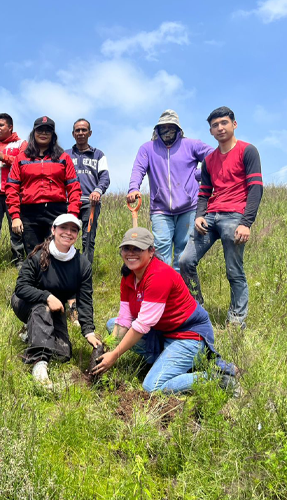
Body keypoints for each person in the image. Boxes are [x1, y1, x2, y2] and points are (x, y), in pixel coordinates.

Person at [92, 228, 237, 393]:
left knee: (152, 387)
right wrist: (108, 347)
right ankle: (168, 361)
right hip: (161, 332)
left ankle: (216, 378)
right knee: (113, 325)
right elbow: (125, 318)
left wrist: (115, 355)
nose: (131, 253)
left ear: (151, 251)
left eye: (138, 249)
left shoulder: (159, 276)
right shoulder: (129, 276)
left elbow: (142, 325)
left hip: (187, 335)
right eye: (127, 248)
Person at [180, 107, 263, 328]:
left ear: (234, 124)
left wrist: (246, 223)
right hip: (210, 217)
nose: (220, 128)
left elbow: (256, 188)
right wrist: (199, 216)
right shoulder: (208, 160)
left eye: (224, 123)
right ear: (210, 131)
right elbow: (204, 193)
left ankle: (236, 320)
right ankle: (197, 311)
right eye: (215, 125)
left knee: (233, 271)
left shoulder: (248, 151)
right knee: (185, 261)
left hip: (235, 216)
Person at [11, 214, 102, 387]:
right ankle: (39, 365)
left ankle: (30, 332)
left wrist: (89, 331)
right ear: (53, 230)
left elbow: (85, 300)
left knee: (62, 354)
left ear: (77, 235)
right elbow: (21, 288)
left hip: (55, 308)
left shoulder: (82, 264)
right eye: (63, 228)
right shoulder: (38, 256)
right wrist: (47, 296)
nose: (68, 232)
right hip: (25, 302)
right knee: (42, 308)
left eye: (73, 230)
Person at [127, 110, 214, 272]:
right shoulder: (148, 148)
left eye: (171, 127)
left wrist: (196, 175)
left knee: (183, 250)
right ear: (157, 129)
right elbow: (138, 169)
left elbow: (214, 158)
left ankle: (179, 285)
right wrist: (134, 188)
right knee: (160, 250)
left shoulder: (191, 145)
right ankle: (163, 284)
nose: (167, 131)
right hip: (160, 209)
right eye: (163, 128)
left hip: (188, 207)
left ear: (178, 129)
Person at [6, 116, 82, 256]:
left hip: (57, 212)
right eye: (40, 130)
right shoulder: (21, 158)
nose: (44, 133)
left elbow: (74, 188)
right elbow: (12, 188)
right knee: (33, 256)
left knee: (56, 254)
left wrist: (72, 215)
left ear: (53, 135)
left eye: (48, 130)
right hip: (29, 214)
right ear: (34, 132)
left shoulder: (63, 157)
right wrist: (15, 216)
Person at [0, 113, 27, 268]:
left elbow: (25, 163)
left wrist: (4, 157)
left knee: (16, 227)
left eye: (1, 125)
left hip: (14, 193)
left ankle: (18, 260)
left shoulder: (21, 144)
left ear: (10, 127)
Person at [65, 118, 110, 263]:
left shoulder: (98, 155)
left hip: (90, 203)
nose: (80, 133)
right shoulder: (65, 155)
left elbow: (105, 177)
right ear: (73, 134)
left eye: (84, 130)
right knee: (64, 236)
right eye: (77, 130)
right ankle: (64, 268)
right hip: (68, 202)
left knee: (88, 239)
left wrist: (97, 191)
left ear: (90, 133)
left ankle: (86, 271)